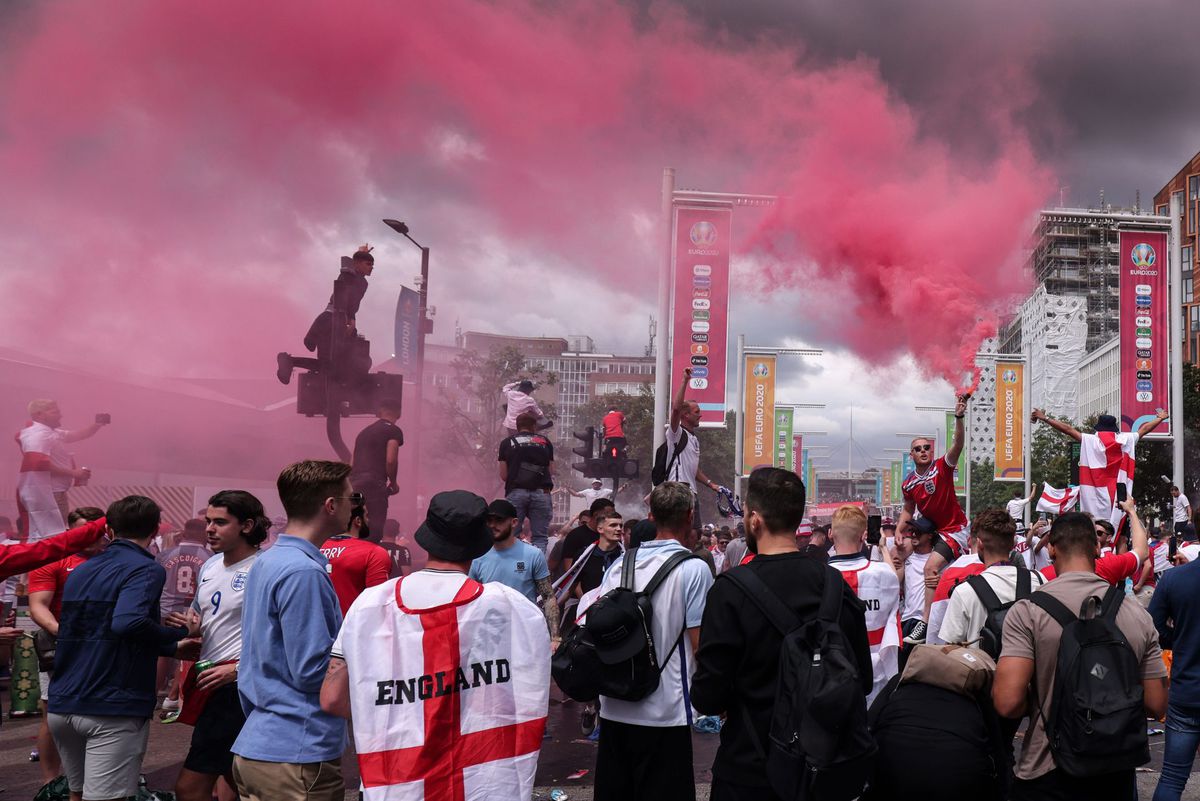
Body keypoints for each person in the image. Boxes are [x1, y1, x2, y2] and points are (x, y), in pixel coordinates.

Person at [319, 490, 550, 801]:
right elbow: (527, 692)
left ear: (427, 538)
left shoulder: (371, 605)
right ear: (478, 544)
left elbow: (333, 699)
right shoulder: (510, 608)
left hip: (396, 782)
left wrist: (397, 708)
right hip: (484, 781)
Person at [693, 468, 871, 801]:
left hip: (749, 768)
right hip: (823, 771)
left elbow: (707, 696)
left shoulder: (729, 592)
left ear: (755, 519)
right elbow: (862, 680)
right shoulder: (835, 586)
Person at [994, 511, 1168, 800]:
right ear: (1097, 548)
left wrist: (1045, 696)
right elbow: (1156, 703)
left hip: (1046, 770)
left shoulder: (1027, 612)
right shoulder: (1136, 613)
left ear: (1050, 548)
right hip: (1115, 770)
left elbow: (1007, 702)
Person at [49, 496, 192, 801]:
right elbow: (127, 623)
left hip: (64, 703)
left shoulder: (83, 570)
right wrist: (177, 637)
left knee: (76, 795)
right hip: (112, 705)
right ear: (155, 530)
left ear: (109, 530)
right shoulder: (146, 569)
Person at [581, 481, 714, 801]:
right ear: (689, 515)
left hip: (615, 707)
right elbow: (701, 645)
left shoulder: (620, 565)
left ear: (651, 515)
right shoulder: (694, 569)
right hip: (666, 715)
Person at [231, 461, 353, 801]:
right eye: (349, 497)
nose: (353, 506)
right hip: (297, 752)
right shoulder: (304, 573)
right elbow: (312, 671)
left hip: (263, 743)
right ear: (330, 505)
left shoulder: (270, 561)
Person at [168, 491, 267, 801]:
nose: (210, 528)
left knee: (190, 788)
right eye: (208, 521)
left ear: (247, 525)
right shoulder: (209, 565)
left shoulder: (264, 568)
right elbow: (205, 618)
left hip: (240, 690)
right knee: (239, 783)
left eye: (221, 522)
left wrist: (237, 671)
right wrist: (193, 630)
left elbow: (277, 636)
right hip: (210, 684)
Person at [27, 507, 106, 784]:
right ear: (70, 531)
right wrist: (64, 634)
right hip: (61, 648)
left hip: (103, 648)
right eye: (84, 531)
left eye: (95, 531)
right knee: (53, 712)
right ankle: (50, 783)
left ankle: (94, 777)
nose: (91, 537)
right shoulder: (53, 560)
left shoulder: (113, 559)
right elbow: (38, 606)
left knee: (100, 712)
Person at [896, 394, 969, 644]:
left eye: (927, 447)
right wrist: (898, 529)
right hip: (937, 532)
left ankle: (925, 625)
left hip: (956, 529)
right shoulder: (908, 483)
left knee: (930, 568)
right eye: (918, 449)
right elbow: (908, 509)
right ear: (911, 455)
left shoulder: (942, 467)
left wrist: (959, 417)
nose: (924, 451)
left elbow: (958, 446)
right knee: (928, 569)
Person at [1032, 408, 1168, 527]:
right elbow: (1144, 429)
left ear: (1098, 427)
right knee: (1120, 536)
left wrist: (1045, 418)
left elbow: (1068, 429)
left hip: (1095, 497)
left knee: (1096, 530)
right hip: (1118, 497)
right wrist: (1159, 418)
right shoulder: (1126, 440)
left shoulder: (1091, 440)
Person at [826, 505, 902, 703]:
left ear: (830, 534)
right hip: (875, 677)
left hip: (828, 677)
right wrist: (883, 547)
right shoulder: (884, 575)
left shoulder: (817, 578)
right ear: (864, 535)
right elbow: (895, 579)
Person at [938, 509, 1045, 649]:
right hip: (1031, 669)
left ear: (980, 544)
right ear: (1013, 543)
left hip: (982, 669)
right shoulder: (1039, 580)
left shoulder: (964, 592)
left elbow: (951, 649)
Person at [1150, 528, 1200, 801]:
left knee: (1172, 776)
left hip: (1187, 688)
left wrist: (1177, 640)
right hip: (1185, 689)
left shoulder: (1173, 579)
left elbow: (1154, 625)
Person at [277, 246, 375, 385]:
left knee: (327, 366)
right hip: (334, 323)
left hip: (325, 321)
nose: (371, 268)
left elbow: (346, 275)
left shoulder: (348, 276)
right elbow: (350, 300)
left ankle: (290, 361)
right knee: (341, 366)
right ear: (357, 263)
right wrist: (351, 320)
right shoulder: (358, 281)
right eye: (368, 264)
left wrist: (361, 255)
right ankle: (290, 362)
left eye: (372, 265)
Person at [17, 400, 107, 541]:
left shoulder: (49, 432)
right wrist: (74, 473)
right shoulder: (39, 434)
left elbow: (76, 435)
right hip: (49, 493)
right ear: (40, 415)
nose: (60, 415)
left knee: (50, 534)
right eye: (55, 412)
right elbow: (38, 463)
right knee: (51, 536)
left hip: (52, 492)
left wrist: (97, 425)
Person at [469, 499, 559, 641]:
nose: (492, 525)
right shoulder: (477, 557)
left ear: (514, 522)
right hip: (491, 635)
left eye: (499, 520)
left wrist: (555, 638)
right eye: (489, 520)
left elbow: (548, 597)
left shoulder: (532, 555)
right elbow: (470, 601)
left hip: (526, 634)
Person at [157, 519, 212, 720]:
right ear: (202, 534)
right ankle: (173, 697)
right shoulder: (210, 557)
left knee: (162, 654)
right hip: (190, 613)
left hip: (166, 609)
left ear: (185, 533)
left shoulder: (164, 555)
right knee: (184, 657)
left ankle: (154, 694)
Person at [668, 368, 723, 530]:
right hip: (678, 490)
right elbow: (676, 409)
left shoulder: (693, 439)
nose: (701, 415)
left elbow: (693, 468)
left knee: (695, 534)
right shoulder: (675, 434)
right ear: (685, 415)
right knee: (683, 534)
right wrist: (685, 380)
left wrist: (711, 484)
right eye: (697, 412)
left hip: (691, 492)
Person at [498, 412, 555, 553]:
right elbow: (551, 470)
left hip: (516, 492)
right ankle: (537, 572)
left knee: (512, 535)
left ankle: (514, 571)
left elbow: (504, 475)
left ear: (517, 426)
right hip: (542, 492)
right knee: (540, 538)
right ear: (534, 426)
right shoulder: (544, 442)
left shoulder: (507, 443)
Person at [319, 505, 391, 616]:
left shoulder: (315, 548)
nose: (368, 520)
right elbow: (378, 607)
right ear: (357, 521)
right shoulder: (374, 552)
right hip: (353, 631)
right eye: (366, 515)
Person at [348, 399, 403, 542]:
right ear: (399, 413)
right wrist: (394, 482)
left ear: (380, 411)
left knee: (356, 528)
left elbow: (352, 463)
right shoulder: (393, 430)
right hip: (374, 484)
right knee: (375, 532)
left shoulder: (363, 433)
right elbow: (391, 460)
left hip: (355, 483)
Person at [893, 516, 934, 646]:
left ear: (930, 536)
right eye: (912, 531)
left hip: (925, 623)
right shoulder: (906, 558)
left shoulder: (938, 562)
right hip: (906, 619)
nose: (914, 535)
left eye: (919, 532)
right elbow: (894, 581)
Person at [560, 498, 615, 572]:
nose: (611, 518)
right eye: (608, 515)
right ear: (596, 515)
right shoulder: (575, 536)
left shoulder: (611, 536)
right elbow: (569, 570)